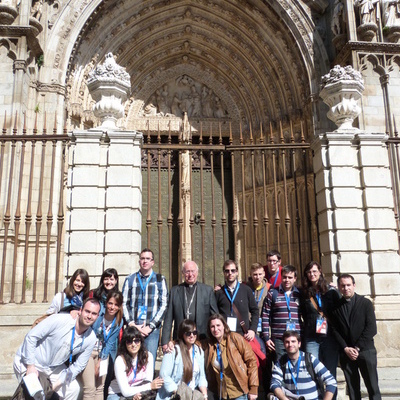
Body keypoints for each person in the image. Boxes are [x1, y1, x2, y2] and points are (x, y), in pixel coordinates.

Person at [14, 298, 101, 400]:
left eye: (94, 314)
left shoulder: (91, 338)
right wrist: (30, 366)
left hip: (53, 368)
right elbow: (31, 337)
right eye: (87, 311)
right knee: (36, 393)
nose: (89, 316)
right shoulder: (59, 320)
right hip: (30, 359)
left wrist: (58, 383)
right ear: (80, 311)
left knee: (73, 389)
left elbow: (78, 366)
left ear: (97, 316)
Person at [330, 274, 381, 400]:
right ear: (339, 288)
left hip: (365, 351)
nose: (346, 288)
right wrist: (346, 348)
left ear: (354, 286)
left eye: (348, 285)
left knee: (373, 387)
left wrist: (357, 348)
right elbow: (335, 330)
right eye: (343, 285)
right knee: (353, 389)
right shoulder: (336, 307)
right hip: (347, 354)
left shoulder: (365, 303)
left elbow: (371, 328)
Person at [122, 248, 168, 364]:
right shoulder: (130, 279)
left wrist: (151, 326)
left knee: (148, 363)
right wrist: (132, 324)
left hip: (151, 331)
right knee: (131, 362)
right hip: (133, 329)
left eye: (148, 259)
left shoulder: (159, 280)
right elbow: (124, 303)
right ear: (139, 261)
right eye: (142, 258)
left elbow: (163, 305)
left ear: (152, 262)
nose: (145, 261)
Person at [161, 260, 218, 353]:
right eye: (187, 271)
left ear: (197, 272)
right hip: (180, 339)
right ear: (183, 273)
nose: (190, 274)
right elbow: (168, 319)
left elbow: (215, 316)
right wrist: (165, 342)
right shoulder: (175, 291)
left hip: (201, 339)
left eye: (193, 271)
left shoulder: (207, 291)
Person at [300, 261, 340, 386]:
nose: (312, 274)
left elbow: (338, 312)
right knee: (312, 369)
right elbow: (303, 313)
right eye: (309, 272)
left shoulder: (330, 291)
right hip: (312, 336)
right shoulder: (304, 293)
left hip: (329, 337)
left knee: (329, 372)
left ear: (320, 272)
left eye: (314, 271)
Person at [80, 292, 124, 400]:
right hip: (89, 351)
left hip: (103, 354)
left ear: (119, 307)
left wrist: (101, 361)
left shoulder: (119, 321)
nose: (112, 307)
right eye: (110, 303)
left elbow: (110, 342)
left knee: (100, 387)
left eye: (116, 305)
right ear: (106, 303)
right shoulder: (99, 315)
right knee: (90, 387)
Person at [269, 330, 337, 400]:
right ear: (284, 345)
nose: (290, 344)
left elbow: (331, 381)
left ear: (299, 344)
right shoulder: (281, 362)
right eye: (287, 342)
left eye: (293, 341)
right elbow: (274, 383)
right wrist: (284, 398)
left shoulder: (310, 359)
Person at [204, 314, 258, 400]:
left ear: (224, 326)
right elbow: (192, 342)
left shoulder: (235, 338)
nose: (216, 329)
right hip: (222, 394)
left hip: (239, 393)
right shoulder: (210, 345)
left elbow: (251, 361)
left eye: (218, 325)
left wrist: (253, 388)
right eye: (212, 326)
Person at [107, 326, 164, 400]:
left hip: (139, 392)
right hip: (117, 393)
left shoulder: (148, 356)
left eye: (136, 341)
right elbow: (125, 392)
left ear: (141, 342)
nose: (133, 344)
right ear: (125, 344)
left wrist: (139, 394)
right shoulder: (120, 360)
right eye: (129, 342)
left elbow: (147, 381)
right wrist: (150, 386)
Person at [157, 320, 208, 400]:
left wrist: (205, 395)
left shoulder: (199, 351)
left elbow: (202, 376)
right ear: (182, 334)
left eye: (194, 332)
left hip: (191, 395)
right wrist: (181, 393)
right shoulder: (173, 350)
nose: (192, 335)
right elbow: (164, 375)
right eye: (188, 333)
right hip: (174, 395)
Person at [261, 265, 302, 361]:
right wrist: (266, 337)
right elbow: (265, 315)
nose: (287, 280)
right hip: (279, 338)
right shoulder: (272, 293)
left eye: (290, 277)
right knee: (281, 364)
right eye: (284, 277)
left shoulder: (300, 294)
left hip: (296, 336)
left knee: (296, 363)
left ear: (295, 279)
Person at [215, 260, 259, 340]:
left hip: (244, 336)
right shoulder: (219, 293)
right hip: (225, 336)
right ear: (224, 273)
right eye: (227, 271)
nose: (230, 273)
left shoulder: (246, 290)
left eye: (233, 270)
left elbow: (255, 311)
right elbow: (215, 315)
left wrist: (252, 330)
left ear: (237, 272)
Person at [247, 262, 271, 334]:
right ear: (251, 274)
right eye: (255, 274)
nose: (258, 277)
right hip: (249, 327)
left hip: (265, 327)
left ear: (264, 274)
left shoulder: (269, 288)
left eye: (260, 274)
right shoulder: (245, 288)